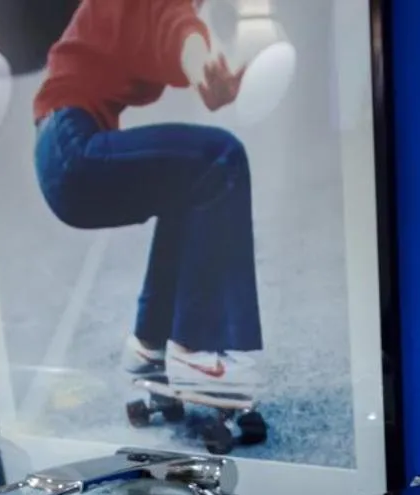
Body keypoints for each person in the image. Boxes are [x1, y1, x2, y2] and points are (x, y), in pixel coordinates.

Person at [32, 1, 262, 397]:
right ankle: (195, 349)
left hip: (60, 151)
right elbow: (176, 28)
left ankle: (149, 345)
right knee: (221, 157)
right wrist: (200, 66)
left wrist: (199, 65)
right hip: (72, 146)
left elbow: (172, 25)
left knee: (186, 184)